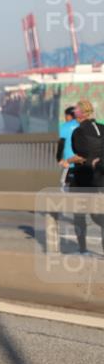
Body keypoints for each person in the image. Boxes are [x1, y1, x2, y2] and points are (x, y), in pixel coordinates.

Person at [69, 99, 104, 255]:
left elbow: (81, 154)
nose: (73, 111)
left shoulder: (79, 131)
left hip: (83, 179)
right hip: (101, 178)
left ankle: (82, 249)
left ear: (82, 113)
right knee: (99, 215)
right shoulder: (103, 128)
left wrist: (69, 160)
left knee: (79, 214)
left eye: (76, 109)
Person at [58, 106, 80, 190]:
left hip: (69, 163)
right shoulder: (81, 125)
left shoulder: (65, 126)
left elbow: (61, 143)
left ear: (70, 116)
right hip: (81, 163)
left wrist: (59, 159)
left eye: (66, 116)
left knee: (64, 187)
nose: (65, 118)